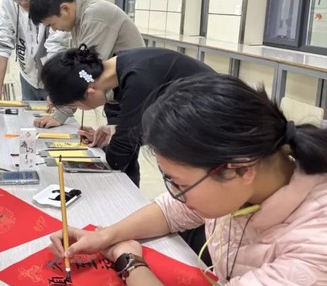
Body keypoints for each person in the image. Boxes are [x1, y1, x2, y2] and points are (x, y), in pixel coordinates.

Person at [50, 74, 327, 286]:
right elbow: (172, 211)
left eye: (181, 184)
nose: (177, 195)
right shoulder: (259, 177)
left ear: (241, 169)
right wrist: (105, 236)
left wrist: (129, 259)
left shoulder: (313, 254)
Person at [41, 45, 214, 186]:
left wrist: (119, 139)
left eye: (75, 105)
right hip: (196, 117)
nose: (80, 108)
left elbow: (120, 154)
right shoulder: (122, 64)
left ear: (89, 92)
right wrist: (117, 130)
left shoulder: (137, 78)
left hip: (212, 123)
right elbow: (139, 126)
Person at [28, 0, 145, 128]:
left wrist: (61, 112)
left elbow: (84, 74)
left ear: (65, 9)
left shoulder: (95, 16)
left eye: (52, 24)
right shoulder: (78, 19)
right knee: (111, 139)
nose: (55, 29)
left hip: (134, 95)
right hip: (118, 95)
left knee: (124, 140)